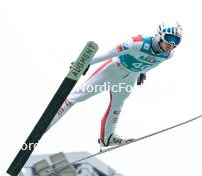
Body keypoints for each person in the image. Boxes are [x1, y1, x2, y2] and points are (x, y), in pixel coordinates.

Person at [47, 21, 183, 147]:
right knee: (77, 97)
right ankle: (47, 123)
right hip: (113, 70)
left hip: (130, 78)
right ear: (160, 34)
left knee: (117, 106)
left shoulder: (168, 55)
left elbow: (153, 63)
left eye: (176, 41)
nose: (172, 44)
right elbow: (109, 53)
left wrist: (143, 72)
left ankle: (108, 137)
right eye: (170, 39)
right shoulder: (137, 43)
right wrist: (87, 62)